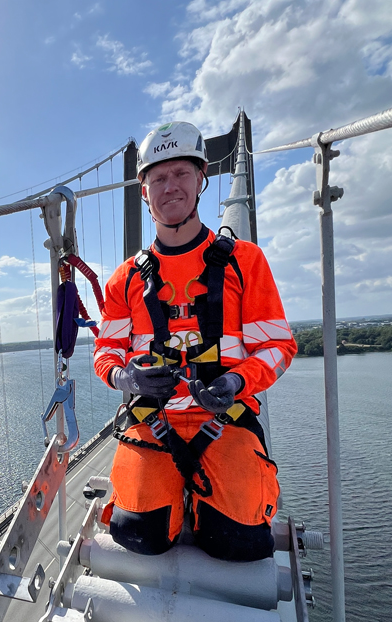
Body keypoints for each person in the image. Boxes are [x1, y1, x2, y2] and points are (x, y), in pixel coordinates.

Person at [94, 121, 297, 562]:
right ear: (144, 192)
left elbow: (279, 347)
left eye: (181, 173)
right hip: (155, 419)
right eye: (158, 178)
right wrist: (124, 375)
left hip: (225, 418)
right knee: (137, 536)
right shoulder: (124, 278)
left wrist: (235, 384)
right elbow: (105, 351)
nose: (170, 187)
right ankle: (171, 494)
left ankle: (203, 500)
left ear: (202, 178)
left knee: (240, 544)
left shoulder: (246, 261)